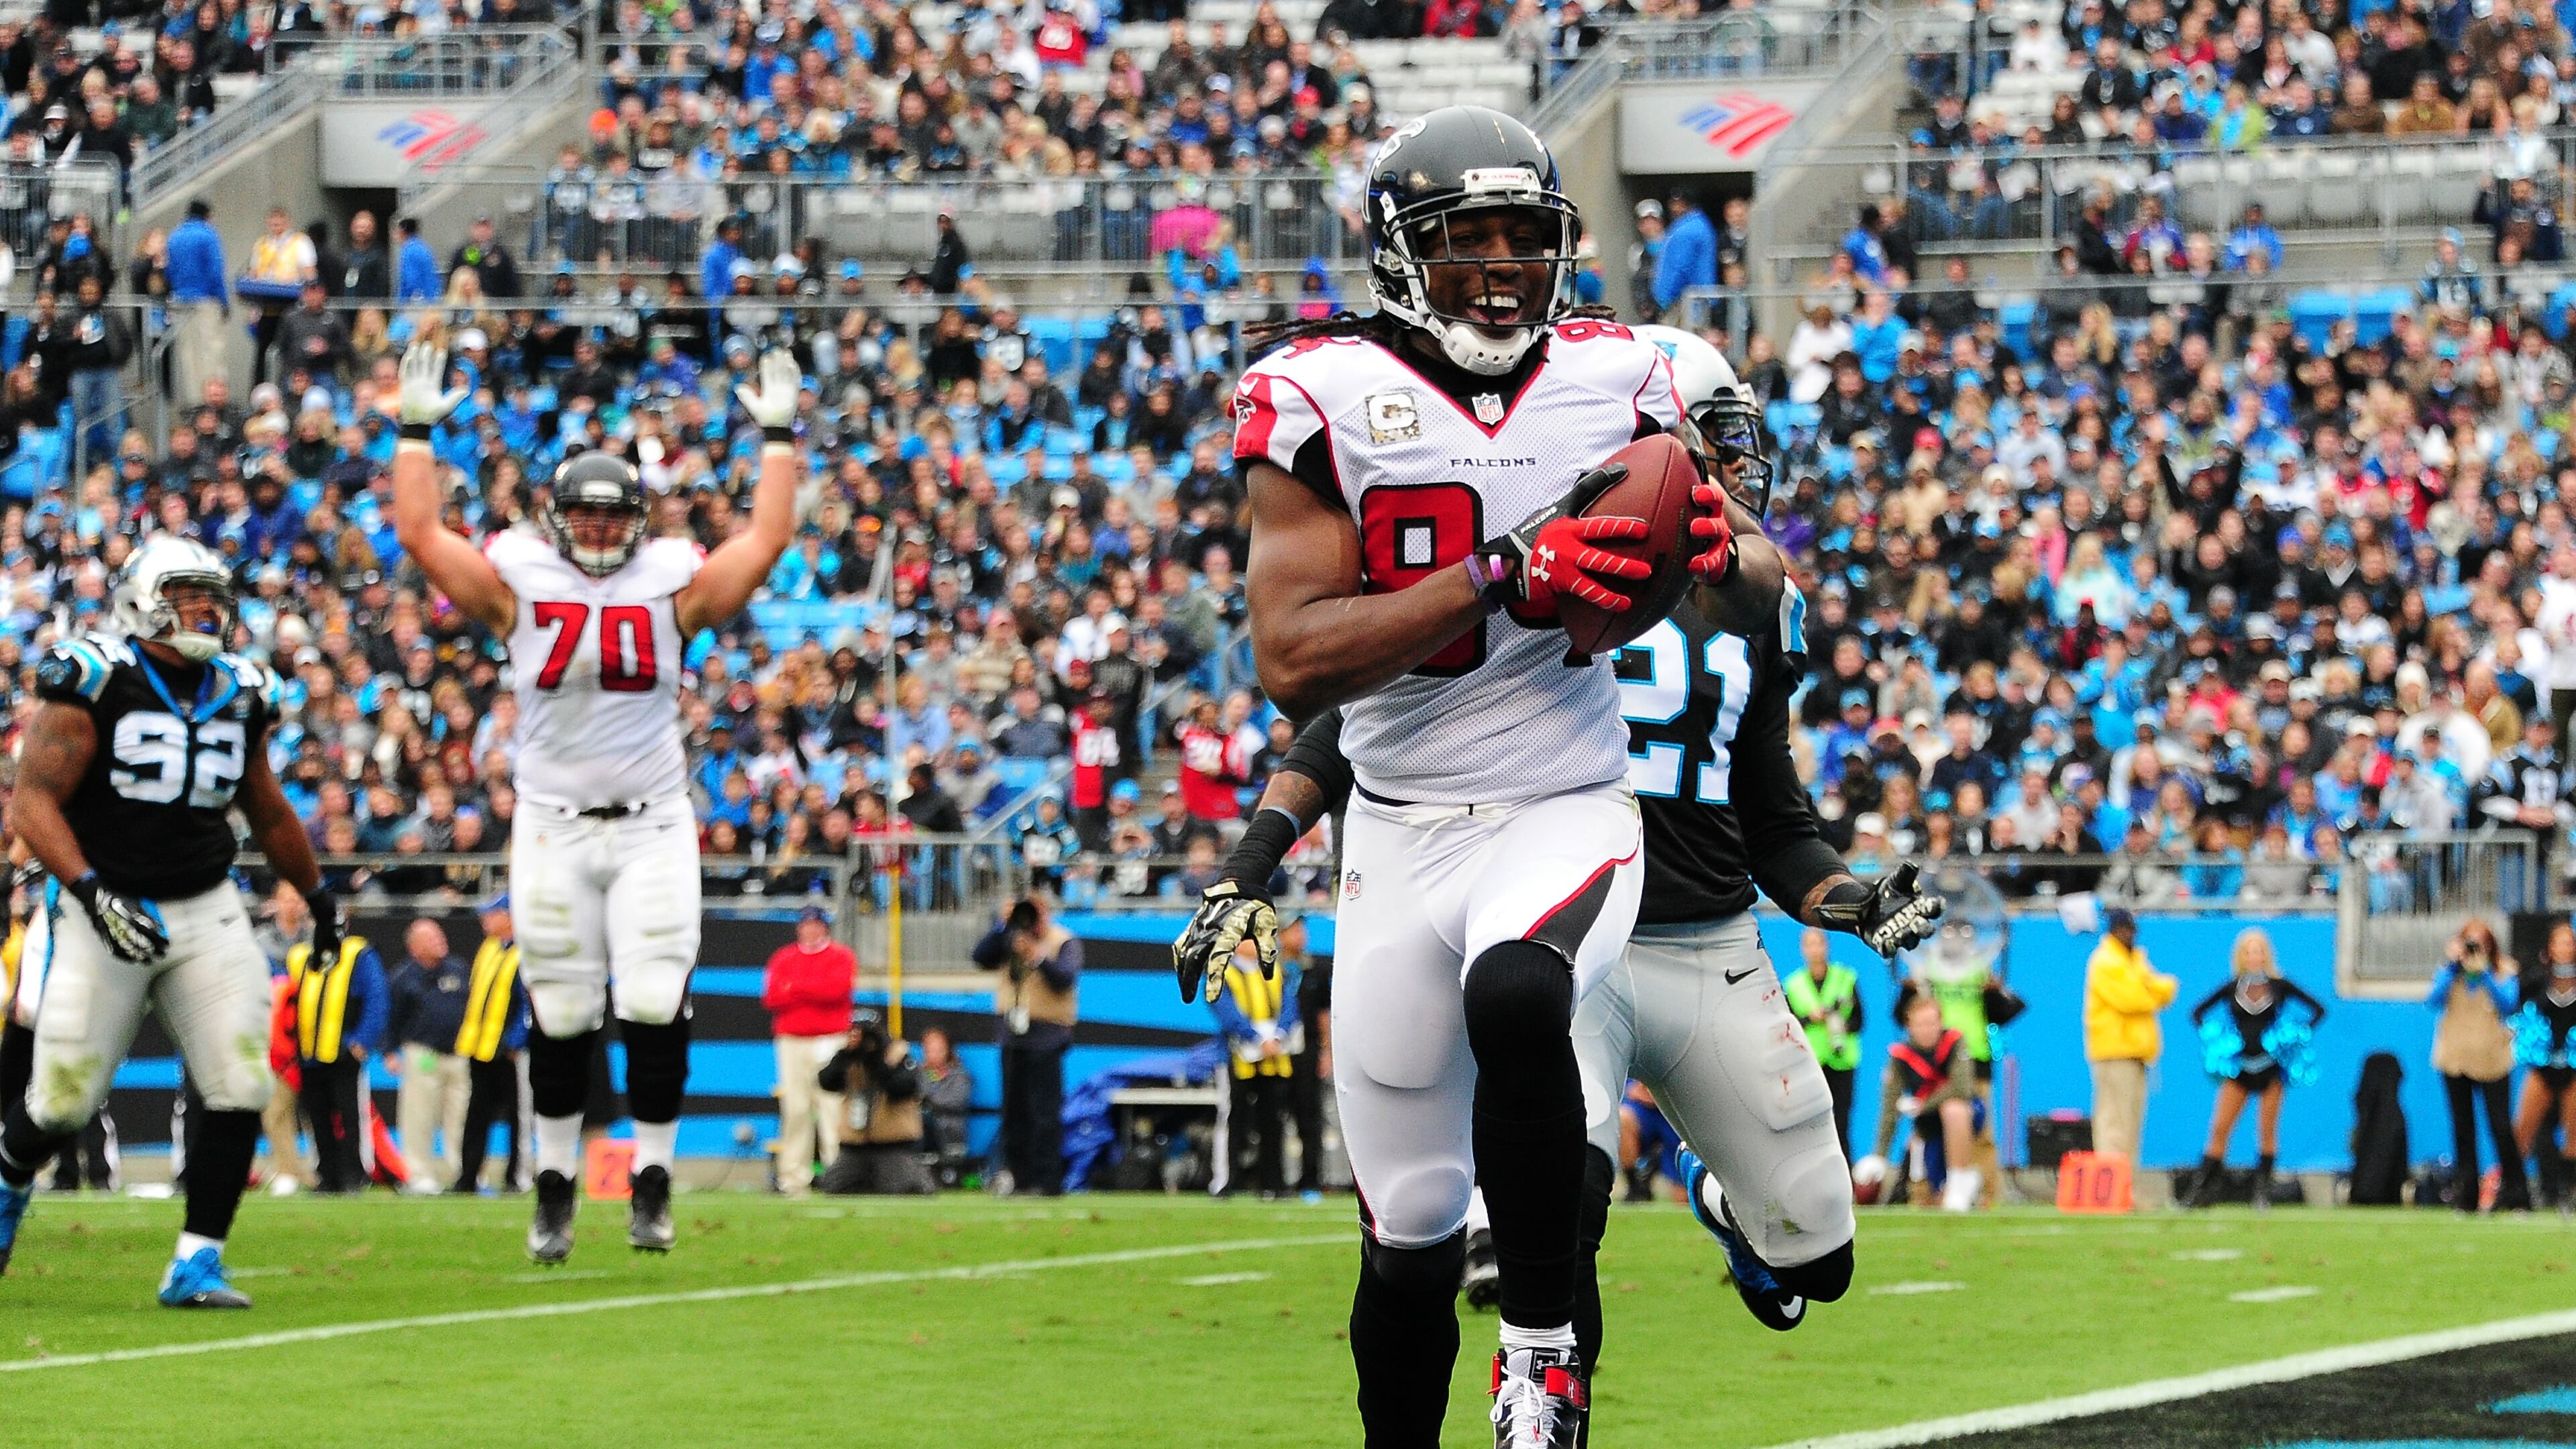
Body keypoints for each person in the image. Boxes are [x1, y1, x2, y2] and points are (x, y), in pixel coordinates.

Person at [1218, 231, 1931, 1441]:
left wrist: (1849, 899)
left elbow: (1773, 815)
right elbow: (1342, 720)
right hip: (1545, 917)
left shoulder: (1745, 611)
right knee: (1545, 1205)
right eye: (1692, 451)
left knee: (1820, 1256)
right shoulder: (1534, 570)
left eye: (1717, 450)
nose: (1718, 470)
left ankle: (1719, 1206)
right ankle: (1545, 1392)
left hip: (1704, 943)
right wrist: (1250, 862)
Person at [391, 337, 804, 1262]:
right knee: (566, 1014)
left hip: (654, 822)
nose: (605, 533)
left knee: (656, 997)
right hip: (551, 824)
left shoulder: (672, 583)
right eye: (587, 515)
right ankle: (553, 1186)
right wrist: (414, 431)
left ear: (641, 522)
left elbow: (766, 540)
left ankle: (652, 1181)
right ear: (556, 517)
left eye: (618, 520)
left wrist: (778, 433)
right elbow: (422, 535)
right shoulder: (520, 584)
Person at [0, 537, 343, 1308]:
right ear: (143, 600)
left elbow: (265, 803)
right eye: (189, 594)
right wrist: (89, 891)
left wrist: (318, 897)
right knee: (61, 1100)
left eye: (212, 596)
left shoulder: (242, 689)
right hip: (105, 902)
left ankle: (197, 1260)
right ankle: (7, 1179)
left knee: (242, 1079)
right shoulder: (96, 679)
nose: (206, 610)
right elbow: (33, 802)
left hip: (205, 902)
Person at [2183, 929, 2324, 1210]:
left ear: (2267, 954)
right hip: (2239, 1070)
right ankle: (2199, 1193)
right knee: (2220, 1128)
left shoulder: (2280, 986)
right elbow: (2197, 1013)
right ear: (2241, 955)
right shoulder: (2232, 986)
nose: (2254, 956)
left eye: (2259, 950)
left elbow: (2318, 1009)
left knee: (2267, 1131)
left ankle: (2262, 1195)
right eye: (2249, 951)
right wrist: (2220, 1041)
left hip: (2271, 1068)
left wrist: (2292, 1035)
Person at [971, 896, 1079, 1195]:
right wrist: (1001, 927)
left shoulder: (1063, 941)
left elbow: (1065, 979)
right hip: (1013, 1035)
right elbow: (981, 958)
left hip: (1047, 1034)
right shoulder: (1010, 938)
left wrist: (1038, 956)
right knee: (1014, 1113)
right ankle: (1019, 1178)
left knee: (1044, 1112)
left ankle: (1047, 1181)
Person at [2430, 918, 2530, 1212]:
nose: (2474, 948)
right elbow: (2433, 1001)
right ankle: (2467, 1197)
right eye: (2469, 942)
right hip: (2455, 1059)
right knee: (2463, 1129)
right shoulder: (2449, 973)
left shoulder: (2505, 972)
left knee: (2500, 1126)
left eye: (2480, 942)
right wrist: (2453, 967)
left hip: (2493, 1060)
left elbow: (2509, 1006)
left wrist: (2484, 972)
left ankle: (2517, 1195)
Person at [290, 910, 388, 1195]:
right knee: (317, 1118)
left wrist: (362, 1041)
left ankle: (354, 1174)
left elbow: (376, 998)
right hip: (310, 1053)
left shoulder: (359, 953)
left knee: (350, 1116)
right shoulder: (301, 955)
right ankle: (328, 1175)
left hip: (343, 1052)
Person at [761, 903, 855, 1197]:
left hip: (830, 1038)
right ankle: (793, 1178)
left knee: (831, 1107)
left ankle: (837, 1174)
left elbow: (836, 992)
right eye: (805, 924)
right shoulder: (783, 958)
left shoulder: (840, 956)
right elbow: (773, 997)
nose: (810, 929)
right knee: (796, 1109)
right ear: (799, 928)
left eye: (815, 924)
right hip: (792, 1040)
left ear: (824, 927)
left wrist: (797, 988)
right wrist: (811, 989)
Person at [1866, 992, 1985, 1211]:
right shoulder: (1901, 1056)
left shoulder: (1954, 1042)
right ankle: (1946, 1187)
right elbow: (1890, 1107)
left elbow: (1962, 1088)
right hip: (1928, 1125)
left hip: (1965, 1114)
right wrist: (1880, 1155)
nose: (1926, 1030)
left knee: (1954, 1109)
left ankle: (1960, 1180)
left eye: (1931, 1023)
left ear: (1940, 1022)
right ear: (1909, 1025)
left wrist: (1922, 1104)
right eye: (1920, 1024)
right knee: (1932, 1195)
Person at [2083, 907, 2174, 1175]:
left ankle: (2125, 1189)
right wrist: (2149, 992)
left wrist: (2148, 990)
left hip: (2134, 1052)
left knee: (2131, 1124)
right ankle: (2111, 1187)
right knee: (2114, 1123)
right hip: (2114, 1052)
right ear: (2113, 931)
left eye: (2132, 929)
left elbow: (2167, 987)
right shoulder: (2107, 961)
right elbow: (2132, 999)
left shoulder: (2131, 960)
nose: (2129, 934)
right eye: (2124, 929)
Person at [387, 917, 472, 1194]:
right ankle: (418, 1173)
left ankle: (461, 1173)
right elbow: (392, 1017)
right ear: (415, 947)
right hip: (423, 1053)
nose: (440, 942)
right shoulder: (403, 977)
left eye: (440, 936)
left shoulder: (459, 969)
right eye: (432, 938)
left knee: (461, 1117)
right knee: (419, 1117)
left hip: (459, 1054)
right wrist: (389, 1051)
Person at [453, 893, 530, 1195]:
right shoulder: (488, 949)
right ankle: (468, 1177)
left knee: (519, 1116)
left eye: (492, 913)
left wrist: (516, 1042)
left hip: (510, 1052)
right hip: (481, 1048)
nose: (485, 919)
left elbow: (528, 1003)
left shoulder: (526, 952)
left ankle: (517, 1177)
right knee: (476, 1117)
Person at [1210, 935, 1298, 1198]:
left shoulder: (1275, 970)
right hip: (1239, 1057)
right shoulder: (1224, 974)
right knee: (1233, 1119)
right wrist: (1257, 1038)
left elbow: (1290, 1007)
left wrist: (1278, 1036)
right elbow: (1225, 1011)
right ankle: (1226, 1181)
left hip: (1274, 1056)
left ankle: (1274, 1183)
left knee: (1273, 1121)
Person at [815, 1008, 934, 1195]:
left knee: (907, 1188)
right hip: (855, 1147)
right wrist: (845, 1055)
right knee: (834, 1186)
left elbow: (902, 1088)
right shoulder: (850, 1058)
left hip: (893, 1144)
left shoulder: (898, 1055)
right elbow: (826, 1082)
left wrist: (877, 1061)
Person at [2512, 924, 2576, 1210]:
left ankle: (2568, 1194)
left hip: (2573, 1069)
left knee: (2574, 1133)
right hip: (2542, 1068)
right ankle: (2514, 1192)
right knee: (2523, 1131)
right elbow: (2518, 1013)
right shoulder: (2536, 981)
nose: (2565, 948)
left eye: (2569, 942)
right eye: (2559, 942)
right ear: (2550, 948)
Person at [1786, 928, 1864, 1157]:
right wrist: (1811, 1018)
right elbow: (1788, 1025)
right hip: (1810, 1062)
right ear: (1803, 950)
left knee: (1841, 1123)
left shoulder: (1846, 977)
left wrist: (1837, 1021)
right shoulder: (1794, 984)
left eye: (1818, 943)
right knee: (1811, 1124)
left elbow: (1859, 1020)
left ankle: (1846, 1182)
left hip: (1841, 1060)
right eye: (1809, 944)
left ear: (1827, 946)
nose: (1815, 950)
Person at [917, 1028, 974, 1187]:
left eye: (939, 1049)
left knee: (925, 1119)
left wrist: (928, 1101)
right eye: (930, 1050)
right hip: (921, 1131)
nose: (934, 1054)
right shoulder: (917, 1074)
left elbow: (956, 1101)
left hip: (949, 1131)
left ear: (948, 1050)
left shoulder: (960, 1075)